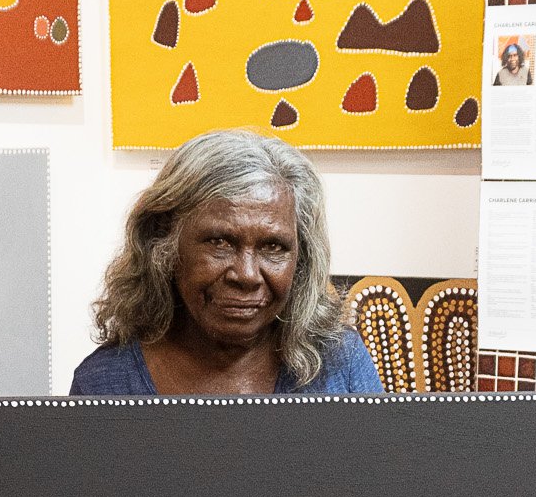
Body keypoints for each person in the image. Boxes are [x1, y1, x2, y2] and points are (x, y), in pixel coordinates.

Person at [70, 129, 383, 396]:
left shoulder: (340, 364)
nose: (247, 275)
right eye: (219, 242)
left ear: (301, 257)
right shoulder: (103, 383)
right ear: (163, 243)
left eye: (273, 247)